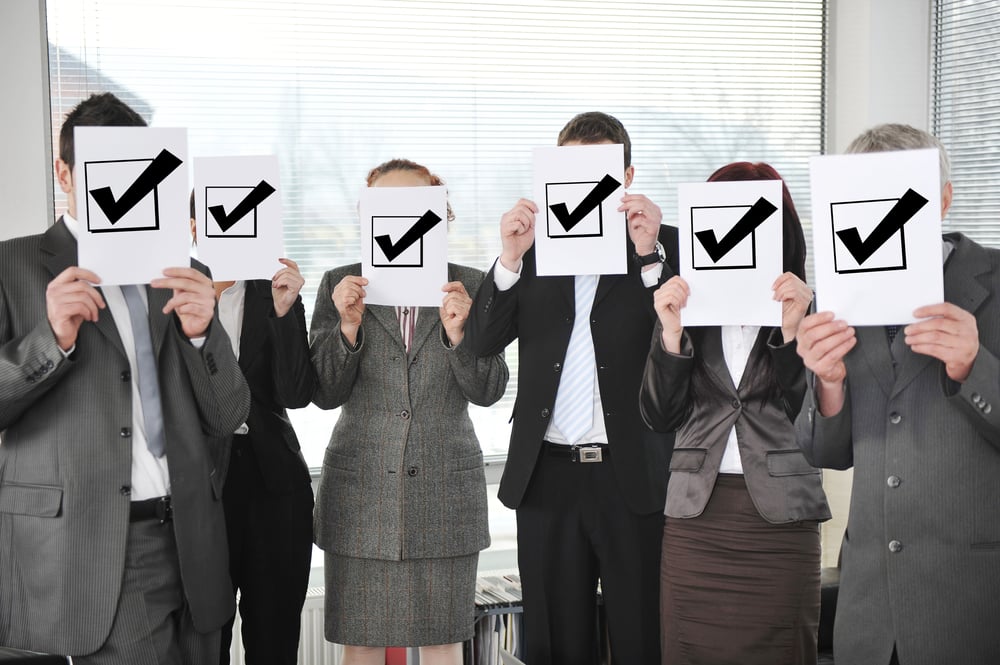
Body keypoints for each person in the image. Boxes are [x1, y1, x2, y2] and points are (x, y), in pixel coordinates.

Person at [0, 92, 250, 664]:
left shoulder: (184, 272)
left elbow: (230, 413)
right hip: (97, 548)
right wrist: (51, 340)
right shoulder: (11, 267)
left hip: (193, 540)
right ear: (64, 173)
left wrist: (202, 334)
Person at [464, 111, 677, 665]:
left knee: (640, 638)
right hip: (547, 475)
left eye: (599, 170)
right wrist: (509, 257)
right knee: (555, 644)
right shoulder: (532, 248)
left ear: (626, 176)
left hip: (632, 474)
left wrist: (649, 256)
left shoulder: (662, 244)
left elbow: (682, 348)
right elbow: (482, 340)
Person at [795, 123, 1000, 665]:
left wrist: (974, 367)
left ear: (945, 200)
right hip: (869, 606)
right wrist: (828, 385)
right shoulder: (837, 299)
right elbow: (823, 451)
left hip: (970, 603)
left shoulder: (997, 282)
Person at [309, 158, 509, 665]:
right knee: (363, 646)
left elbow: (489, 390)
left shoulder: (470, 284)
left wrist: (459, 335)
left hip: (445, 492)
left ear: (440, 214)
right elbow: (325, 391)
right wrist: (348, 329)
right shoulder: (340, 283)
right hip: (361, 495)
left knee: (444, 645)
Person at [639, 162, 830, 664]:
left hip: (781, 522)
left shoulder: (812, 304)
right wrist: (671, 336)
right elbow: (659, 416)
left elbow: (819, 420)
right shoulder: (685, 303)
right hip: (696, 521)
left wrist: (793, 334)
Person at [188, 196, 317, 665]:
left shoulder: (273, 291)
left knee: (275, 638)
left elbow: (297, 392)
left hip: (275, 486)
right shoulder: (171, 293)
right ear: (193, 226)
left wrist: (286, 312)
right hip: (202, 489)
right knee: (207, 640)